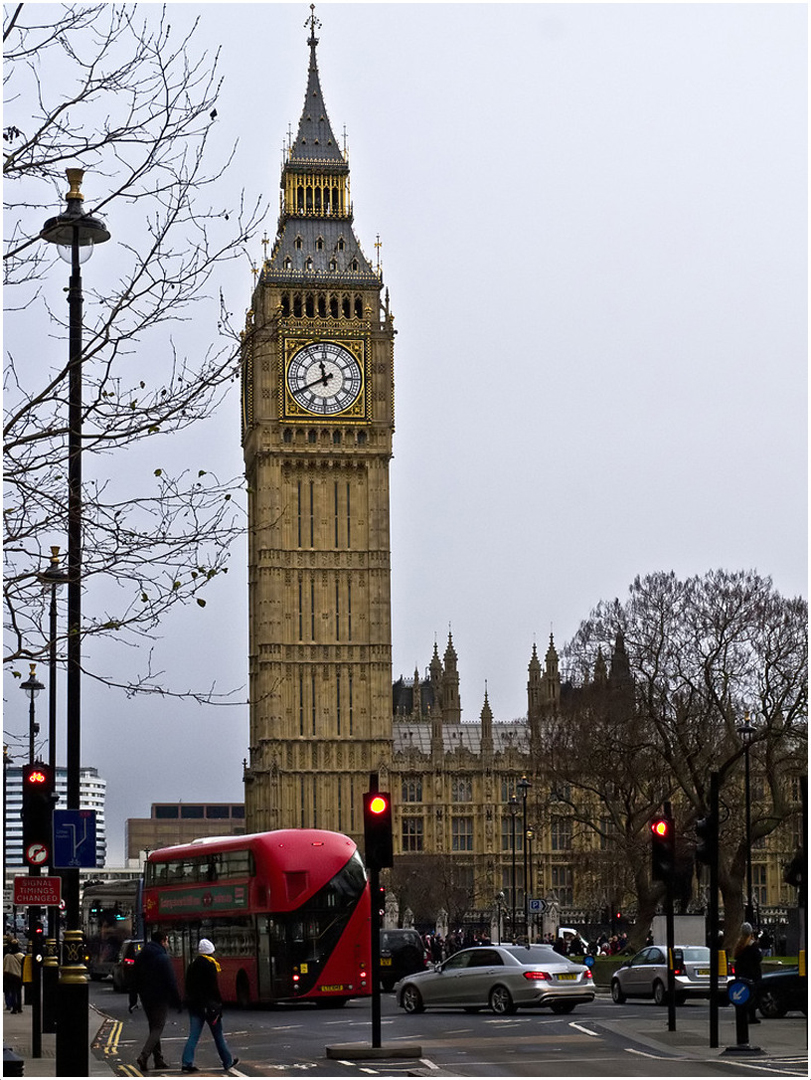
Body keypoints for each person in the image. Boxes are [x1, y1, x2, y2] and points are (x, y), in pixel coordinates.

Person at [181, 939, 239, 1074]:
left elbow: (188, 987)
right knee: (218, 1035)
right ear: (211, 952)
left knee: (193, 1036)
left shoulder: (192, 965)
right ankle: (227, 1061)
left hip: (195, 1006)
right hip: (210, 1007)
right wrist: (218, 1004)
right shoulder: (210, 965)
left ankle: (186, 1062)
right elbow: (213, 988)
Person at [129, 931, 182, 1072]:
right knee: (158, 1028)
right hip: (160, 997)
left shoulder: (141, 956)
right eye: (167, 941)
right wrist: (177, 1001)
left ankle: (158, 1060)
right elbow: (171, 980)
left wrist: (133, 999)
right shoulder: (162, 957)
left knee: (154, 1027)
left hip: (145, 997)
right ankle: (144, 1056)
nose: (168, 943)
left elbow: (134, 979)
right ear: (163, 941)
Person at [733, 922, 762, 1024]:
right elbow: (759, 958)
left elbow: (736, 957)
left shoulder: (739, 944)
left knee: (743, 996)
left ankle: (742, 1016)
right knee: (752, 996)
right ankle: (752, 1016)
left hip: (741, 973)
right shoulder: (752, 944)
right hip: (753, 974)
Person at [3, 939, 25, 1013]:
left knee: (12, 992)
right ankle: (19, 1007)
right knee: (18, 992)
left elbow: (4, 966)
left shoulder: (7, 956)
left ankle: (14, 1008)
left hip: (9, 976)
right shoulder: (21, 956)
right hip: (18, 976)